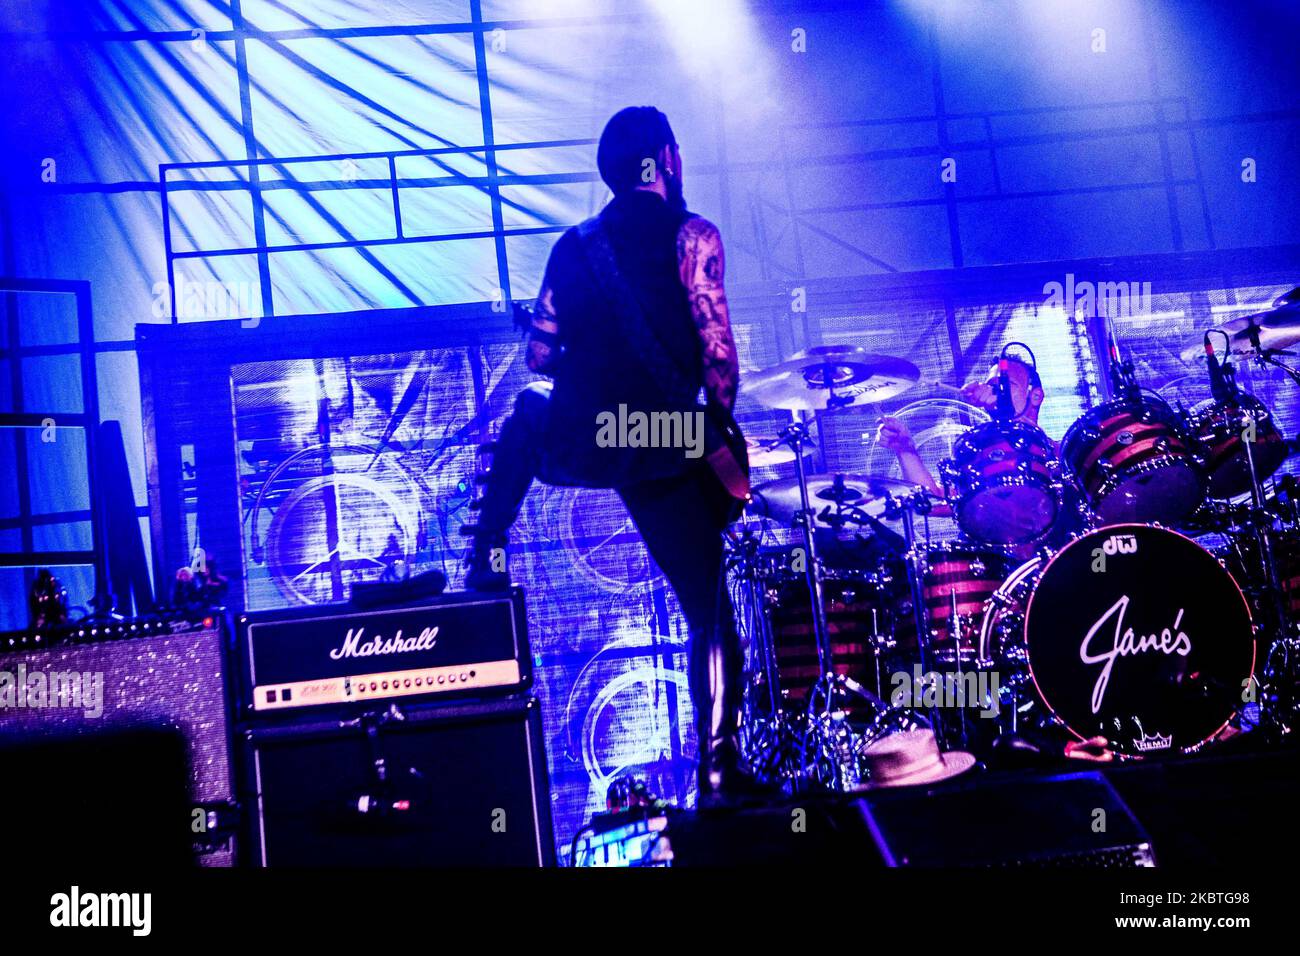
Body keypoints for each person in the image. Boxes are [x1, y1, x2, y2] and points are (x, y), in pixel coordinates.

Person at [461, 106, 751, 800]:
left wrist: (592, 366)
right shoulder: (693, 236)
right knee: (707, 610)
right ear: (666, 160)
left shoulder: (573, 244)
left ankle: (487, 549)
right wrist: (711, 436)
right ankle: (718, 774)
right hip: (662, 442)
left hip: (592, 435)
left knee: (529, 412)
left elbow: (538, 353)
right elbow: (720, 361)